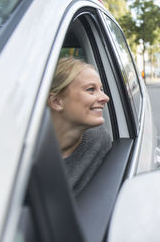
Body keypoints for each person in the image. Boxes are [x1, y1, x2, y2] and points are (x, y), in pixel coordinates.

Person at [48, 57, 112, 195]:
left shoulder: (99, 140)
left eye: (101, 89)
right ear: (57, 102)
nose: (105, 97)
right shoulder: (20, 153)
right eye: (91, 89)